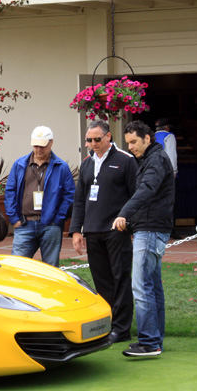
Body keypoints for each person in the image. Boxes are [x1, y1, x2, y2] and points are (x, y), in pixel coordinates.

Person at [71, 119, 138, 342]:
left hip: (116, 229)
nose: (93, 143)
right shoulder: (87, 163)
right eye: (89, 140)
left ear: (108, 137)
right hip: (93, 229)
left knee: (120, 278)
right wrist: (76, 230)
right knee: (101, 280)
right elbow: (80, 198)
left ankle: (121, 328)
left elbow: (136, 196)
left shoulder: (125, 161)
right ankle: (108, 323)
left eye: (97, 139)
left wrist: (131, 227)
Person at [113, 119, 175, 358]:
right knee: (152, 286)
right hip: (150, 228)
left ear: (147, 138)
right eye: (128, 143)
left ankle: (149, 343)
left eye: (134, 142)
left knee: (142, 286)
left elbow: (146, 190)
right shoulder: (150, 159)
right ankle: (154, 340)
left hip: (151, 229)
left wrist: (124, 214)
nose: (130, 147)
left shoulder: (156, 160)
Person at [5, 126, 75, 266]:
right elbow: (10, 191)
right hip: (24, 223)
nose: (38, 149)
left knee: (50, 269)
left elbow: (69, 195)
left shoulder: (61, 167)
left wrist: (58, 219)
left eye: (42, 146)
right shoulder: (20, 164)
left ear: (51, 143)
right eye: (35, 145)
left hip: (50, 225)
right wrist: (14, 218)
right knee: (17, 267)